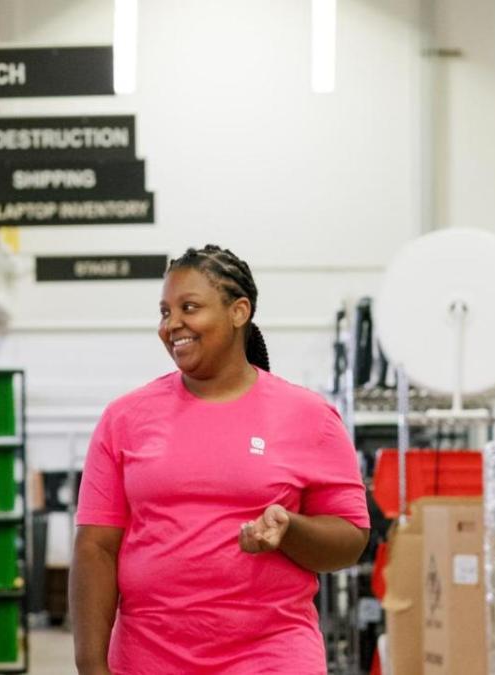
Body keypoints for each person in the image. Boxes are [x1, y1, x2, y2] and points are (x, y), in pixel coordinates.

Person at [70, 245, 370, 674]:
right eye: (164, 312)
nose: (172, 325)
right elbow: (96, 548)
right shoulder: (125, 419)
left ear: (239, 311)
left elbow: (350, 540)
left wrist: (290, 529)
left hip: (272, 656)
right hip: (149, 659)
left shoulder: (309, 417)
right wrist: (91, 665)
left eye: (188, 307)